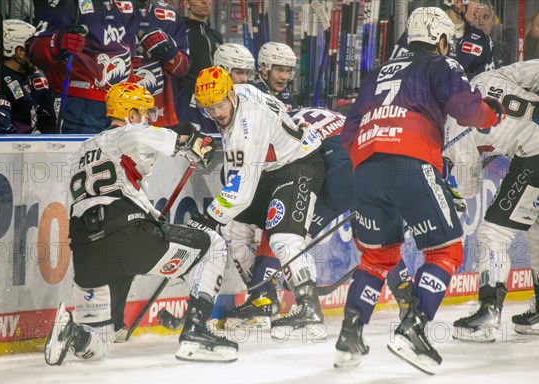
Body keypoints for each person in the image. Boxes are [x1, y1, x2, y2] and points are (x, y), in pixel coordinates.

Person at [335, 7, 504, 373]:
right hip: (409, 161)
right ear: (441, 41)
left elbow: (348, 133)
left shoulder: (376, 72)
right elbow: (466, 109)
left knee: (376, 259)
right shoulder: (440, 65)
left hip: (364, 166)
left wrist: (370, 165)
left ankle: (350, 336)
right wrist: (491, 112)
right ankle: (413, 329)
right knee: (446, 251)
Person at [43, 82, 239, 365]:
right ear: (131, 114)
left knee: (97, 343)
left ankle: (72, 330)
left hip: (86, 252)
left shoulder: (79, 153)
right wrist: (191, 144)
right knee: (212, 246)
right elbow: (161, 139)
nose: (147, 118)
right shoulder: (127, 132)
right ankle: (195, 332)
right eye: (144, 113)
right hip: (126, 235)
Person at [444, 59, 539, 342]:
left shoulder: (453, 124)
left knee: (493, 233)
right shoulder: (489, 76)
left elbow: (468, 187)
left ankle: (488, 312)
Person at [193, 66, 326, 337]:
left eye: (219, 104)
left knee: (283, 239)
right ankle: (264, 302)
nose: (216, 113)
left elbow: (242, 187)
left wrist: (209, 217)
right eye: (209, 108)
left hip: (299, 163)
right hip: (271, 170)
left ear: (230, 94)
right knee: (234, 231)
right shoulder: (239, 95)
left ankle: (310, 310)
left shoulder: (248, 123)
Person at [224, 107, 355, 329]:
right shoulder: (317, 111)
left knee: (282, 228)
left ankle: (264, 302)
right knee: (379, 245)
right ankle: (408, 298)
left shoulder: (274, 127)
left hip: (336, 173)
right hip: (371, 167)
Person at [26, 0, 138, 133]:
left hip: (122, 101)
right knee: (80, 152)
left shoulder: (129, 6)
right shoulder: (69, 4)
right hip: (80, 101)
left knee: (121, 152)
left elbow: (130, 54)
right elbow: (34, 49)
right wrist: (57, 42)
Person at [133, 0, 191, 128]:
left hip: (157, 111)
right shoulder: (107, 9)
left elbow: (183, 68)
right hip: (113, 106)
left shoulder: (170, 14)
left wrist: (171, 55)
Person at [0, 19, 56, 133]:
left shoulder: (38, 76)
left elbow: (48, 115)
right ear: (20, 52)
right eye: (33, 49)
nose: (37, 55)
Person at [173, 0, 223, 131]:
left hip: (215, 101)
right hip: (186, 102)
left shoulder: (215, 36)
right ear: (186, 4)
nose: (205, 2)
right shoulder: (180, 32)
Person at [253, 42, 298, 110]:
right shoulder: (251, 92)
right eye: (279, 70)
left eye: (288, 71)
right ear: (264, 68)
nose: (284, 77)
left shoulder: (285, 93)